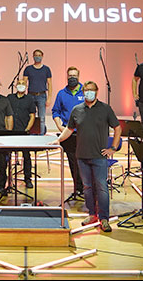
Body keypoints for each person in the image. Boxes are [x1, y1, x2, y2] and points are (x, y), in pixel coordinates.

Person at [52, 81, 121, 233]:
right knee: (87, 188)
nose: (89, 92)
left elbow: (117, 128)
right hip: (81, 156)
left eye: (92, 90)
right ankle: (92, 214)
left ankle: (104, 218)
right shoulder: (76, 110)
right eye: (87, 90)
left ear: (96, 92)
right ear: (83, 92)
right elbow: (69, 130)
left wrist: (113, 148)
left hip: (99, 156)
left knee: (102, 187)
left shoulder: (105, 109)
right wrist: (58, 140)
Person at [51, 66, 86, 201]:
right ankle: (78, 188)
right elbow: (56, 111)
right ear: (67, 77)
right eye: (70, 76)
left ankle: (86, 188)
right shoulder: (61, 93)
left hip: (84, 134)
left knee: (84, 162)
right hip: (68, 134)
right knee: (73, 162)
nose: (72, 78)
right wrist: (60, 127)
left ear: (79, 76)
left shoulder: (85, 92)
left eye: (75, 76)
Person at [8, 77, 37, 188]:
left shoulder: (30, 99)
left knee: (26, 156)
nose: (21, 85)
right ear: (15, 85)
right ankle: (6, 179)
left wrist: (27, 129)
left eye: (23, 83)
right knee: (7, 156)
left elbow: (32, 116)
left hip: (24, 132)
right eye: (19, 83)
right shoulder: (10, 98)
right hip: (11, 131)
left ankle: (27, 178)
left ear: (26, 86)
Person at [23, 49, 52, 135]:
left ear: (42, 56)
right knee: (30, 116)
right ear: (33, 56)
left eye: (39, 55)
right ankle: (29, 134)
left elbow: (49, 84)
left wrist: (49, 98)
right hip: (30, 95)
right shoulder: (28, 69)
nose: (37, 57)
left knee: (42, 118)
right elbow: (24, 83)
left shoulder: (46, 69)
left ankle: (41, 136)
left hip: (42, 95)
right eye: (36, 55)